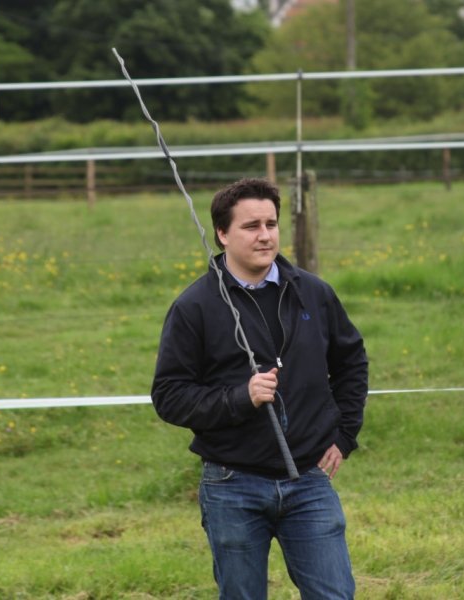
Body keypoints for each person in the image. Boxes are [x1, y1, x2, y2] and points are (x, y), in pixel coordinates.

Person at [151, 177, 368, 600]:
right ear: (222, 233)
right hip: (232, 483)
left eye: (271, 224)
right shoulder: (194, 307)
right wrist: (241, 397)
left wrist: (344, 435)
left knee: (334, 595)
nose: (265, 235)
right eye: (251, 226)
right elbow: (170, 396)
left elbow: (352, 362)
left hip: (308, 479)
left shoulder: (313, 294)